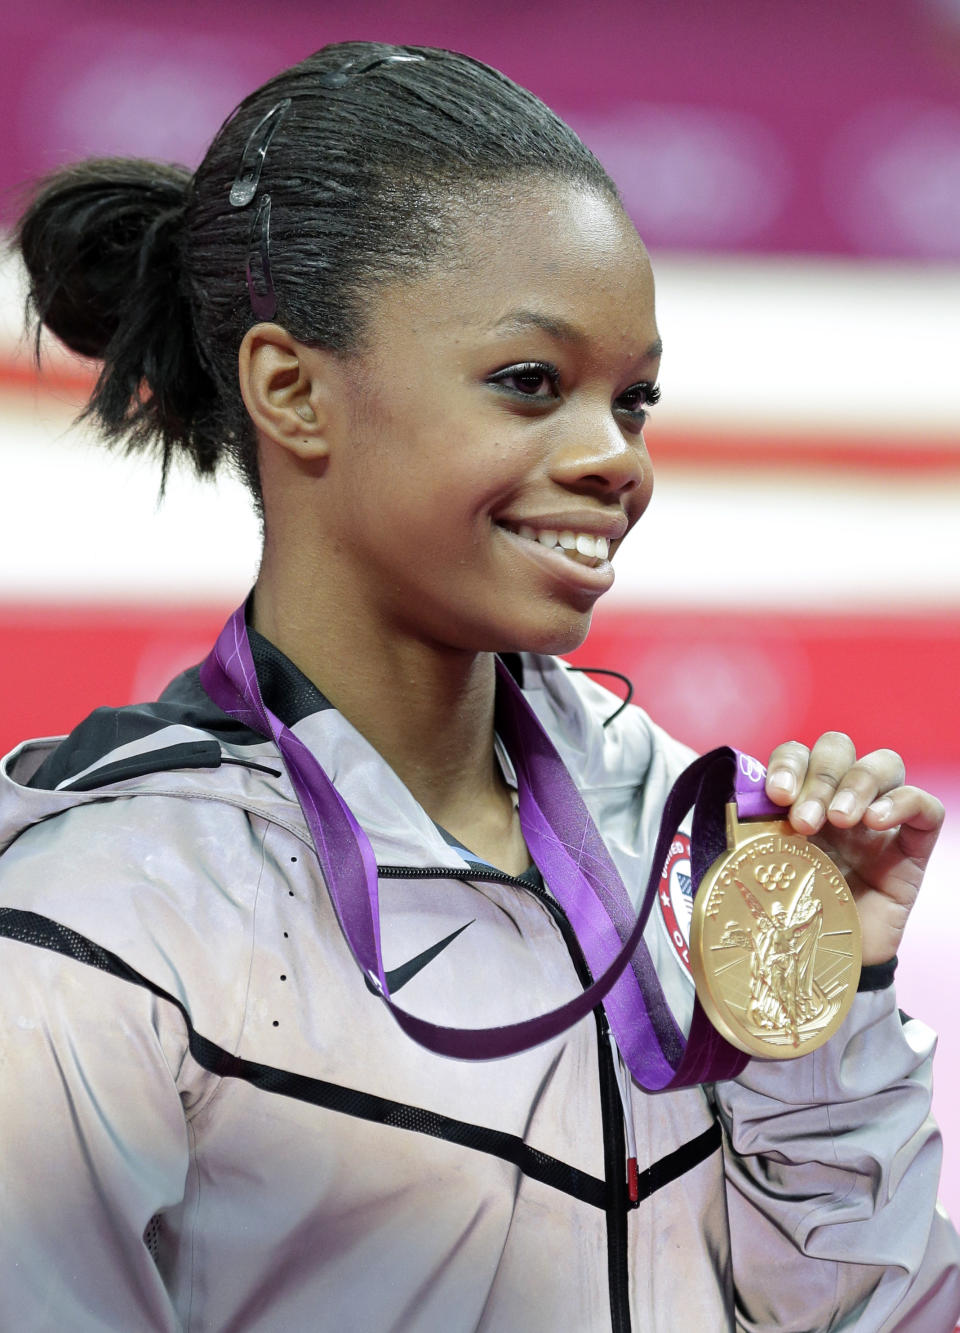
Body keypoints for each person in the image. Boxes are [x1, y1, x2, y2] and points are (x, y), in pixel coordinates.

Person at [0, 40, 957, 1333]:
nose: (614, 458)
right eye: (531, 383)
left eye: (635, 400)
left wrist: (823, 1019)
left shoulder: (669, 816)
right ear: (291, 390)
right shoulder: (96, 906)